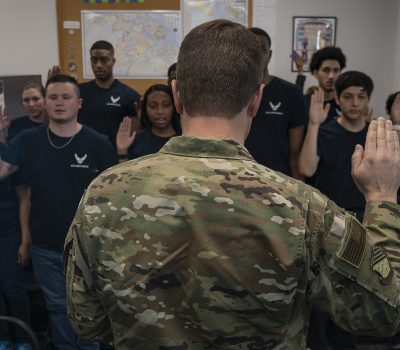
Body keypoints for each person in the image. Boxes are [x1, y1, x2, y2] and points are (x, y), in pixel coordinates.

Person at [65, 20, 400, 350]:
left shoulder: (102, 195)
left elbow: (86, 321)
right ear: (256, 98)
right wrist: (382, 197)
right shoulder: (304, 207)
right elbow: (384, 312)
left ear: (177, 94)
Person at [0, 74, 116, 350]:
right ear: (46, 102)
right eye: (53, 97)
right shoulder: (27, 140)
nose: (59, 102)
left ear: (79, 102)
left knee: (89, 313)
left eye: (66, 97)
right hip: (45, 248)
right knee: (57, 310)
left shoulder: (98, 144)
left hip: (87, 248)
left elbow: (113, 198)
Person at [299, 71, 374, 349]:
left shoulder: (375, 134)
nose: (355, 103)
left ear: (368, 100)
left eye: (361, 97)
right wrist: (314, 124)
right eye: (348, 97)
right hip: (328, 220)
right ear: (339, 100)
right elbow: (307, 169)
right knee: (322, 292)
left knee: (354, 294)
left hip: (364, 222)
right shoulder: (326, 131)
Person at [49, 40, 141, 148]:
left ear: (113, 61)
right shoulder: (79, 91)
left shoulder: (129, 95)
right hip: (82, 154)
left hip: (113, 156)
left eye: (104, 60)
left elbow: (136, 132)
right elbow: (57, 115)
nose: (98, 65)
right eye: (94, 60)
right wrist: (53, 88)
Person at [244, 27, 306, 179]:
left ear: (269, 55)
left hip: (280, 183)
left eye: (262, 49)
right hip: (238, 180)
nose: (256, 54)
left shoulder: (292, 94)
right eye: (250, 49)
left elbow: (295, 155)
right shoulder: (228, 92)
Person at [0, 108, 31, 350]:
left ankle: (22, 340)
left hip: (9, 231)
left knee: (13, 287)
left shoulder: (11, 150)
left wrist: (24, 239)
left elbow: (24, 198)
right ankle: (3, 339)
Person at [116, 84, 180, 162]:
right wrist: (122, 151)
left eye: (166, 105)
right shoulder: (136, 140)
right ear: (145, 109)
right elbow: (124, 173)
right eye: (153, 106)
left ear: (174, 106)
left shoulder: (183, 138)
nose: (160, 111)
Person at [306, 46, 347, 124]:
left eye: (336, 70)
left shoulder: (345, 104)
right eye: (326, 70)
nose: (331, 76)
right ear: (315, 73)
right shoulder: (304, 103)